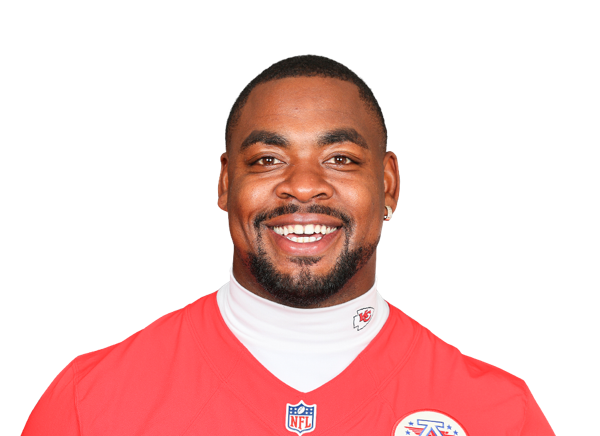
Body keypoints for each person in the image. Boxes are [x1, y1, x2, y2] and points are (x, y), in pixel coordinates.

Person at [22, 54, 554, 435]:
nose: (302, 186)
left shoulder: (501, 414)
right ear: (225, 183)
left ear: (389, 183)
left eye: (340, 158)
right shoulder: (89, 401)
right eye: (267, 160)